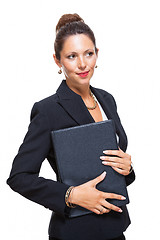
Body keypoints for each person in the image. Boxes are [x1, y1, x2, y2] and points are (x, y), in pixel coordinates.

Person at [7, 13, 135, 240]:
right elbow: (19, 176)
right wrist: (70, 194)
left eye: (88, 53)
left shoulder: (107, 99)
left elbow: (107, 165)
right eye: (72, 56)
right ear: (58, 61)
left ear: (97, 54)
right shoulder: (48, 110)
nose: (83, 64)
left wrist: (128, 168)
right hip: (75, 232)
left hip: (116, 228)